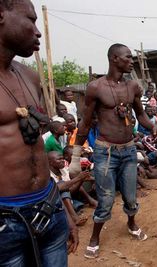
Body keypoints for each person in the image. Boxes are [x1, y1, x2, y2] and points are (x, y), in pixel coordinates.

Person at [0, 0, 77, 266]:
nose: (38, 31)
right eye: (30, 20)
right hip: (6, 221)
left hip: (49, 205)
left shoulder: (29, 75)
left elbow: (35, 146)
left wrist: (61, 208)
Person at [69, 43, 157, 258]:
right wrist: (75, 155)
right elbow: (86, 122)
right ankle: (95, 237)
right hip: (105, 151)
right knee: (106, 198)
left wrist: (152, 125)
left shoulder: (133, 87)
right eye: (127, 57)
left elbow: (141, 115)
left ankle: (132, 223)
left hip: (128, 150)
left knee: (130, 196)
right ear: (114, 58)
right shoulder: (96, 87)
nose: (131, 61)